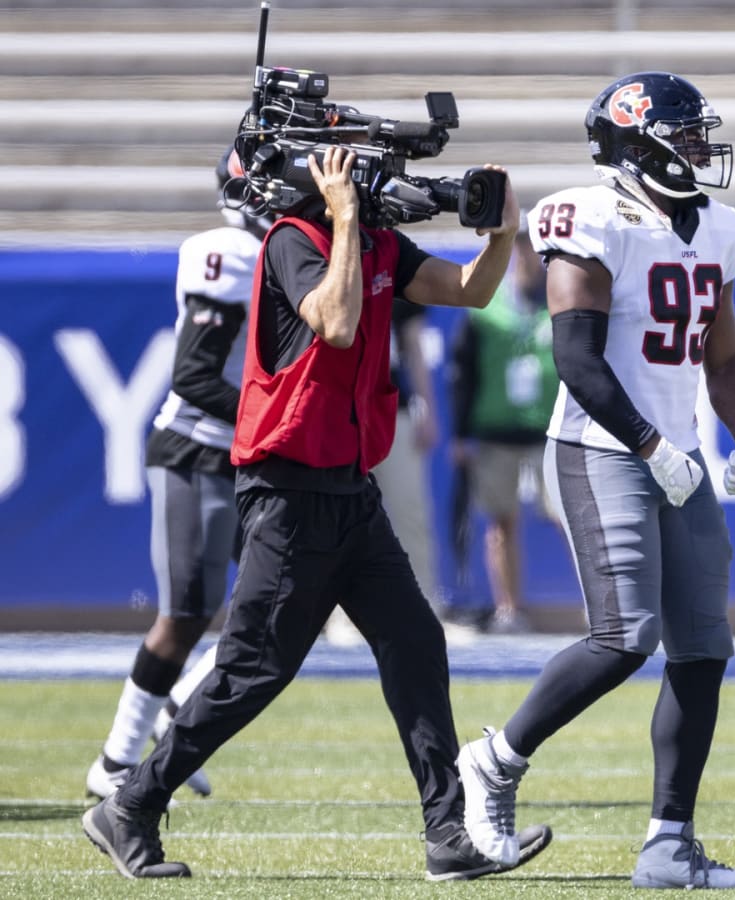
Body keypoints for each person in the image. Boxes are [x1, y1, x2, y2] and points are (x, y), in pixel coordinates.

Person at [82, 144, 551, 880]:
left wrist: (498, 236)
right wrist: (341, 218)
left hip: (348, 490)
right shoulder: (293, 242)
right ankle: (131, 805)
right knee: (252, 670)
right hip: (287, 490)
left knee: (416, 643)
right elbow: (333, 322)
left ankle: (447, 833)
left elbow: (468, 291)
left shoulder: (379, 244)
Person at [455, 72, 735, 890]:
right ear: (638, 141)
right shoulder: (590, 217)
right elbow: (576, 358)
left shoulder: (721, 228)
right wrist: (650, 444)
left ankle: (669, 845)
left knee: (703, 644)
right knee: (627, 636)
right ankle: (493, 759)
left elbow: (724, 354)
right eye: (687, 133)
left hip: (679, 452)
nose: (702, 147)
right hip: (601, 446)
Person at [86, 146, 270, 804]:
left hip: (255, 456)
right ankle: (115, 760)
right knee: (187, 614)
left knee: (276, 609)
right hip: (201, 450)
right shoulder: (228, 253)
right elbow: (193, 379)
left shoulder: (280, 248)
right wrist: (272, 419)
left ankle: (176, 714)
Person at [446, 224, 556, 633]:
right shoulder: (487, 305)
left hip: (551, 430)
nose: (528, 257)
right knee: (500, 520)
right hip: (496, 429)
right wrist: (460, 433)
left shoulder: (561, 298)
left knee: (572, 519)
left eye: (534, 250)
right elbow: (463, 371)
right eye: (522, 248)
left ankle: (597, 606)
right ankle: (509, 609)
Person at [324, 297, 441, 647]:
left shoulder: (391, 258)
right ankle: (340, 615)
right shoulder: (318, 257)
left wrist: (428, 408)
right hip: (337, 403)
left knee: (410, 512)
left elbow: (413, 343)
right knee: (340, 515)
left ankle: (425, 609)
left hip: (390, 404)